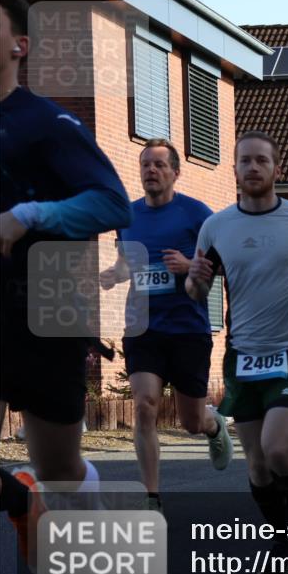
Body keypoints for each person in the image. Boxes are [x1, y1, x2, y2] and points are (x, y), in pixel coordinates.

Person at [0, 0, 131, 565]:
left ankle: (87, 541)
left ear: (18, 45)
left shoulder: (48, 123)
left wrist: (31, 216)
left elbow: (112, 205)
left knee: (57, 468)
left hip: (42, 313)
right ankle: (17, 497)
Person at [186, 131, 288, 574]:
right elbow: (196, 289)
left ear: (278, 169)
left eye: (261, 161)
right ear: (233, 169)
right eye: (244, 161)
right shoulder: (215, 226)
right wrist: (195, 278)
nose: (252, 168)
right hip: (241, 355)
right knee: (256, 465)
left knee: (277, 450)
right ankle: (282, 538)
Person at [100, 139, 233, 512]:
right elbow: (128, 263)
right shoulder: (128, 215)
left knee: (191, 420)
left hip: (188, 329)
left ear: (176, 172)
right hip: (144, 327)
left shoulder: (197, 214)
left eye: (159, 165)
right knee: (144, 404)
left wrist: (189, 265)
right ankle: (151, 496)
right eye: (146, 164)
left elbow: (220, 264)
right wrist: (114, 274)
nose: (151, 170)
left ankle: (214, 425)